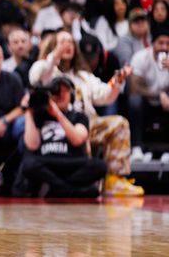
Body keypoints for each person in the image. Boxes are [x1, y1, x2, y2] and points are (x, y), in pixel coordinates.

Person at [29, 30, 144, 196]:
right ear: (52, 46)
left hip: (87, 123)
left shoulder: (83, 76)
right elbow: (36, 78)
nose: (67, 45)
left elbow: (104, 96)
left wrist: (117, 82)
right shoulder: (46, 69)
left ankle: (114, 179)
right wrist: (55, 55)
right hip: (58, 125)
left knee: (119, 123)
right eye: (62, 42)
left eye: (70, 42)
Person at [20, 76, 107, 197]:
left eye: (65, 90)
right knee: (28, 164)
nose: (61, 94)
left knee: (100, 166)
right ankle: (69, 190)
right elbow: (32, 145)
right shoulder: (40, 115)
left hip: (73, 162)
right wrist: (28, 111)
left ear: (71, 95)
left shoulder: (79, 116)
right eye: (56, 91)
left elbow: (77, 140)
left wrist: (57, 114)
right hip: (48, 162)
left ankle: (57, 189)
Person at [128, 27, 169, 161]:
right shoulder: (141, 57)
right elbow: (134, 88)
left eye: (168, 44)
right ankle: (137, 148)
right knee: (134, 101)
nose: (164, 47)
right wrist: (159, 95)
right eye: (160, 43)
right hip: (147, 102)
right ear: (153, 44)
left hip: (166, 103)